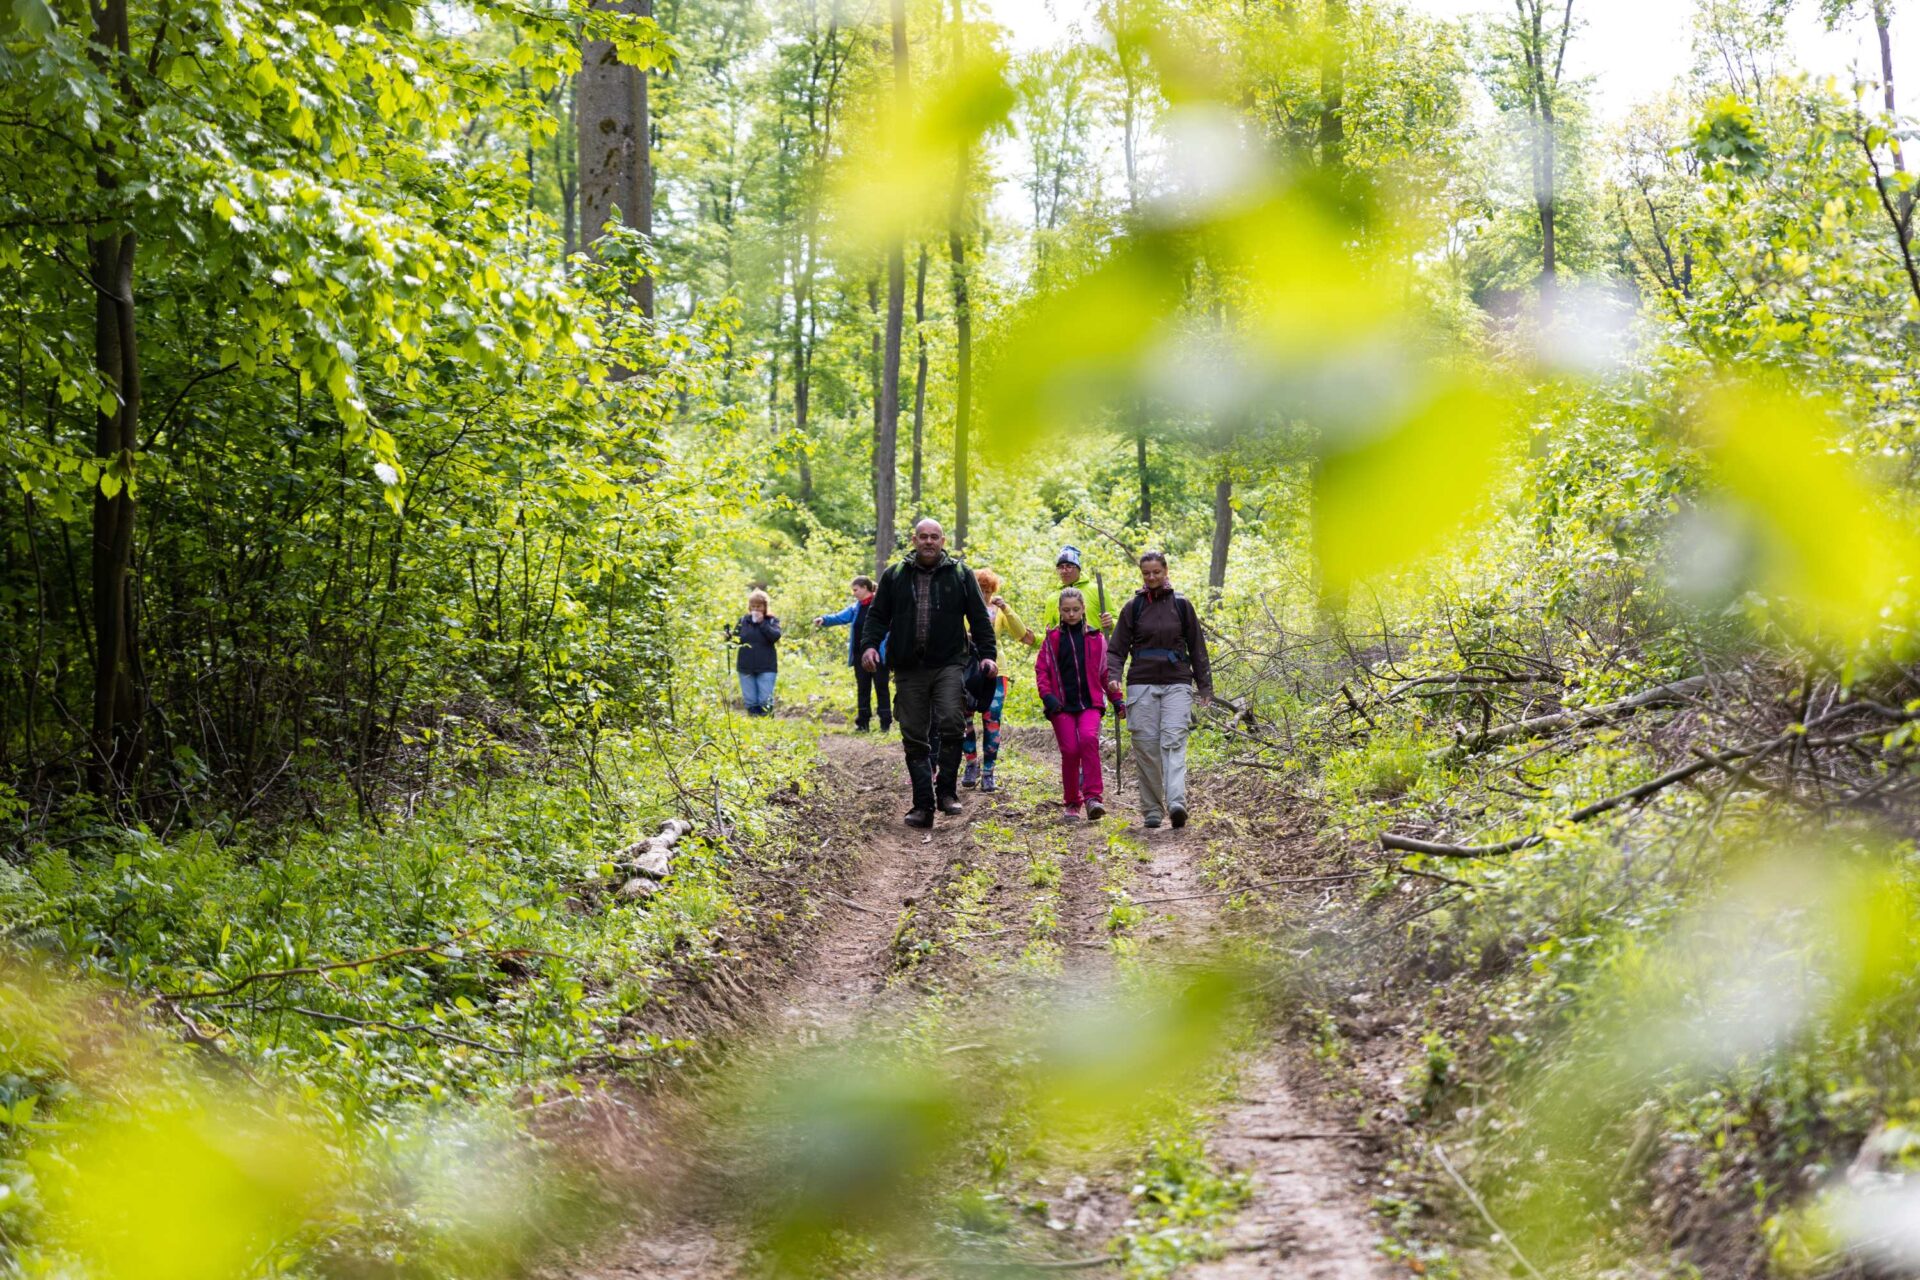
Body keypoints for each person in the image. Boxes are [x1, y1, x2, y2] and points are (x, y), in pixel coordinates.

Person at [860, 519, 997, 828]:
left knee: (952, 721)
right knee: (913, 733)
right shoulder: (895, 575)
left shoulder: (960, 574)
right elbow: (878, 616)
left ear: (942, 540)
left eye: (934, 537)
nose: (928, 542)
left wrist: (988, 657)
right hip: (908, 667)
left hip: (949, 663)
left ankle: (947, 793)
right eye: (923, 537)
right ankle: (923, 806)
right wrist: (869, 646)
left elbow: (979, 619)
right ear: (914, 539)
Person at [1104, 551, 1213, 829]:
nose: (1151, 577)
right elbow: (1116, 650)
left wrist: (1204, 687)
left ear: (1166, 571)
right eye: (1146, 573)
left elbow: (1197, 647)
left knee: (1174, 741)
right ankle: (1152, 808)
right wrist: (1113, 676)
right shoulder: (1133, 607)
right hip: (1141, 682)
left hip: (1177, 681)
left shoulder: (1182, 605)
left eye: (1156, 572)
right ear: (1142, 575)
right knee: (1146, 746)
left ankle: (1177, 802)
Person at [1034, 587, 1110, 821]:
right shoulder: (1052, 639)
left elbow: (1105, 672)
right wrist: (1048, 696)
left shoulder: (1095, 638)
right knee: (1070, 751)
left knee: (1088, 740)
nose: (1071, 614)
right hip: (1061, 706)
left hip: (1089, 703)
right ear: (1059, 611)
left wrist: (1116, 699)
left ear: (1083, 609)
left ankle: (1093, 797)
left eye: (1076, 609)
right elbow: (1042, 670)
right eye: (1066, 610)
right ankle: (1072, 802)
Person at [961, 568, 1040, 792]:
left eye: (988, 591)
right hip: (966, 670)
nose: (984, 595)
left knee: (991, 720)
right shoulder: (962, 609)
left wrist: (1006, 607)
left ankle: (988, 771)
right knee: (964, 718)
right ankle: (970, 763)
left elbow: (1021, 633)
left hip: (996, 670)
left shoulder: (998, 611)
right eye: (980, 590)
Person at [816, 575, 890, 733]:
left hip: (879, 655)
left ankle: (885, 723)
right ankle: (863, 724)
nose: (854, 593)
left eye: (856, 590)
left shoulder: (881, 605)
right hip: (859, 656)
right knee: (863, 688)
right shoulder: (856, 608)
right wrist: (824, 619)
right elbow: (840, 617)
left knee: (881, 688)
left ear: (865, 588)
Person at [730, 589, 782, 717]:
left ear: (765, 607)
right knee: (750, 701)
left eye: (759, 606)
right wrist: (728, 637)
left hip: (766, 666)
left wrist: (762, 623)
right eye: (753, 606)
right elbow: (735, 641)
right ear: (749, 606)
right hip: (746, 667)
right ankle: (755, 728)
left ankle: (767, 727)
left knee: (765, 700)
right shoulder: (743, 621)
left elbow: (775, 636)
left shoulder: (772, 621)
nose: (755, 609)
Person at [1041, 545, 1116, 631]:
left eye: (1069, 566)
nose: (1064, 571)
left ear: (1078, 569)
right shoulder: (1052, 599)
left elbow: (1118, 622)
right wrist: (1034, 640)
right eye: (1061, 567)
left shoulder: (1097, 590)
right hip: (1065, 644)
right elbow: (1047, 636)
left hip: (1096, 643)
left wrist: (1111, 623)